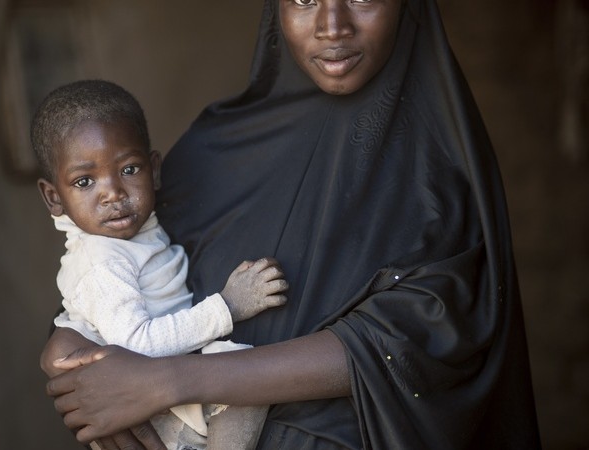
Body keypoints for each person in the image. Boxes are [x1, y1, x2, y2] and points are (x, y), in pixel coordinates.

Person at [42, 1, 543, 449]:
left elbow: (413, 341)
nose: (332, 25)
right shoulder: (213, 146)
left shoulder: (437, 168)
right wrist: (67, 353)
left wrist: (174, 380)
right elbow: (120, 271)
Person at [32, 79, 288, 450]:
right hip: (150, 416)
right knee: (237, 370)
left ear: (154, 169)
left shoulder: (135, 233)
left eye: (129, 170)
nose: (113, 193)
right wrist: (228, 306)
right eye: (85, 181)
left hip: (167, 393)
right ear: (54, 198)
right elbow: (137, 346)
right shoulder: (101, 261)